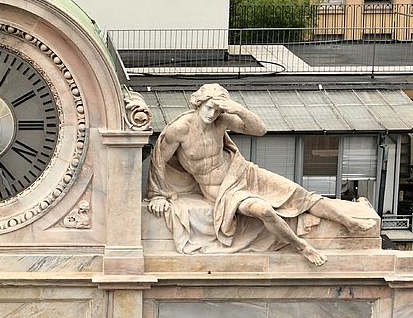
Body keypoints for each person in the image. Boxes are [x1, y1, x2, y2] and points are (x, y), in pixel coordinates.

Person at [146, 84, 377, 266]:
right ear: (198, 104)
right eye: (209, 108)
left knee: (300, 194)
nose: (212, 114)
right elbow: (158, 159)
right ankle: (302, 246)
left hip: (242, 172)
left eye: (217, 110)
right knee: (264, 210)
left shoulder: (221, 120)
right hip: (223, 191)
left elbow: (260, 130)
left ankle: (349, 222)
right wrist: (157, 194)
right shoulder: (180, 128)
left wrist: (237, 109)